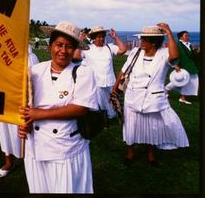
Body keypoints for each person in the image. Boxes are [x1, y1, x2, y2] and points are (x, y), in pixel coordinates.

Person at [18, 21, 98, 193]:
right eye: (58, 45)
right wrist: (23, 123)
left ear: (76, 49)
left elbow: (80, 108)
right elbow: (24, 104)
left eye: (69, 46)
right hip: (35, 146)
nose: (63, 51)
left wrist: (39, 114)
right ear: (50, 46)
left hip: (64, 147)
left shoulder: (83, 73)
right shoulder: (35, 70)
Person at [112, 24, 189, 166]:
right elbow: (123, 71)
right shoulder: (136, 52)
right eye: (141, 39)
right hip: (132, 96)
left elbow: (175, 56)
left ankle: (151, 154)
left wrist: (169, 33)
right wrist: (115, 87)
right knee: (130, 126)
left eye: (144, 40)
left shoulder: (164, 54)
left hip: (153, 99)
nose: (141, 42)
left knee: (152, 128)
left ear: (154, 42)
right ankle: (130, 152)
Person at [0, 45, 39, 178]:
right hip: (2, 97)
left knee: (25, 130)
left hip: (21, 100)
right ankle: (8, 161)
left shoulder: (29, 57)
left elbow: (34, 85)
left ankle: (31, 162)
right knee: (4, 130)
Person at [74, 26, 127, 120]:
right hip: (95, 81)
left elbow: (123, 50)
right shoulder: (87, 49)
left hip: (109, 81)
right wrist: (80, 42)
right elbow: (76, 57)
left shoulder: (109, 47)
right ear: (93, 38)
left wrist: (115, 38)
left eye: (103, 36)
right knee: (97, 103)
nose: (101, 39)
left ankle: (111, 117)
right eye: (98, 37)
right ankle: (99, 119)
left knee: (110, 102)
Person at [165, 30, 199, 104]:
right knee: (179, 80)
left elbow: (190, 55)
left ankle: (182, 97)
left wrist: (195, 51)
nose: (188, 37)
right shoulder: (178, 45)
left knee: (189, 81)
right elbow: (172, 55)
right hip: (183, 65)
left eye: (188, 36)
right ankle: (166, 90)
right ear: (181, 37)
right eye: (186, 36)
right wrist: (175, 65)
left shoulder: (189, 45)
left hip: (191, 66)